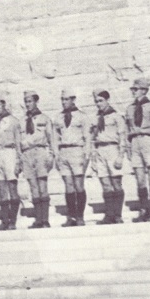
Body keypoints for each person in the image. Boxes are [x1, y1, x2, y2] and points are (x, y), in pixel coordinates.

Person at [126, 79, 150, 222]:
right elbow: (127, 129)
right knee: (140, 179)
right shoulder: (129, 108)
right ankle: (144, 210)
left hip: (149, 140)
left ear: (144, 90)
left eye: (136, 89)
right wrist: (128, 147)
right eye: (133, 89)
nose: (133, 92)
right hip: (135, 142)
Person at [53, 90, 91, 227]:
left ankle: (80, 216)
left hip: (77, 150)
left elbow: (87, 137)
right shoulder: (58, 117)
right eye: (62, 99)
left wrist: (87, 155)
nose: (64, 102)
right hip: (64, 151)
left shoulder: (82, 116)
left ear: (73, 99)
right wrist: (56, 155)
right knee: (68, 185)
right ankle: (72, 216)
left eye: (67, 99)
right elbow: (55, 137)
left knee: (79, 184)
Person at [0, 94, 23, 230]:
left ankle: (13, 221)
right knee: (1, 190)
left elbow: (18, 141)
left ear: (4, 104)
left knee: (12, 188)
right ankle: (5, 221)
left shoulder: (13, 121)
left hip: (9, 153)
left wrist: (19, 160)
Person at [91, 89, 127, 224]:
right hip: (101, 151)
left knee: (116, 183)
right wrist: (94, 157)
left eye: (100, 101)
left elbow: (123, 136)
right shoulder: (96, 118)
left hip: (113, 149)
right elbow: (93, 138)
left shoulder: (116, 116)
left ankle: (118, 215)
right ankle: (109, 215)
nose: (98, 104)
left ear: (107, 100)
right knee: (105, 184)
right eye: (96, 101)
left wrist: (120, 156)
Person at [21, 90, 56, 228]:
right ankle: (38, 219)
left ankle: (45, 220)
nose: (28, 104)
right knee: (33, 187)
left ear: (36, 101)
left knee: (42, 186)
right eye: (26, 101)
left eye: (30, 101)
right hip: (27, 154)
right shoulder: (22, 120)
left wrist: (51, 155)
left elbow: (51, 138)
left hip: (40, 152)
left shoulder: (44, 119)